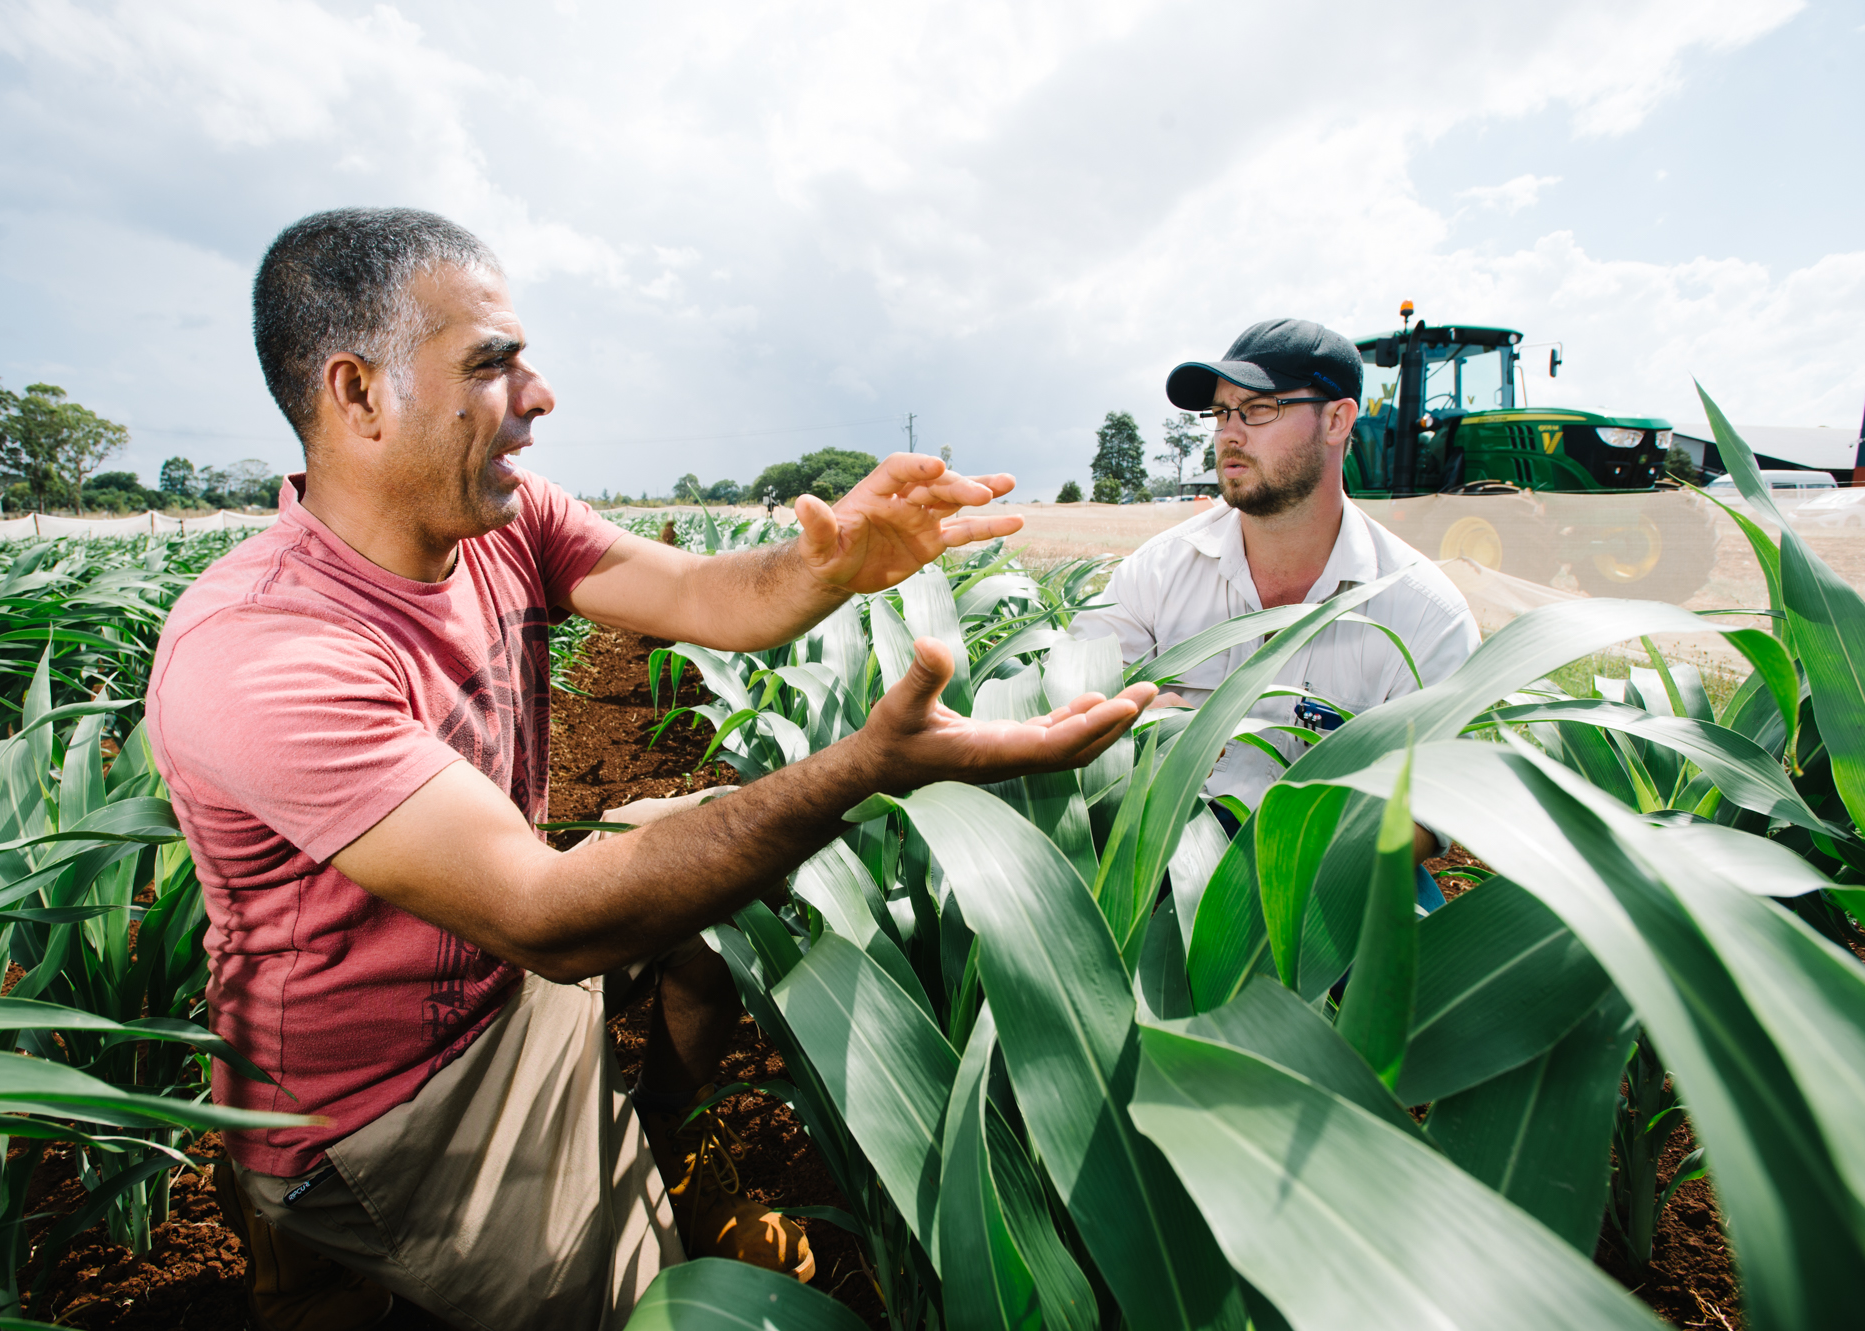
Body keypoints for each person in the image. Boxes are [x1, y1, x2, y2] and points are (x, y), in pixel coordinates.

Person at [144, 208, 1153, 1331]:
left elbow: (700, 595)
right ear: (358, 392)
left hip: (505, 965)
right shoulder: (263, 653)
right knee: (659, 1310)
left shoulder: (501, 523)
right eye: (490, 362)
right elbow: (549, 918)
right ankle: (321, 1249)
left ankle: (664, 1139)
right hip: (389, 1098)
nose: (538, 394)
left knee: (723, 855)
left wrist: (830, 565)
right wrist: (862, 769)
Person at [1070, 319, 1480, 898]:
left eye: (1259, 409)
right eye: (1221, 413)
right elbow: (1077, 680)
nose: (1229, 435)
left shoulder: (1424, 614)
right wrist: (1131, 712)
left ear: (1336, 421)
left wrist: (1267, 883)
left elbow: (1427, 809)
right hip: (1165, 858)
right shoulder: (1157, 571)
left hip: (1325, 882)